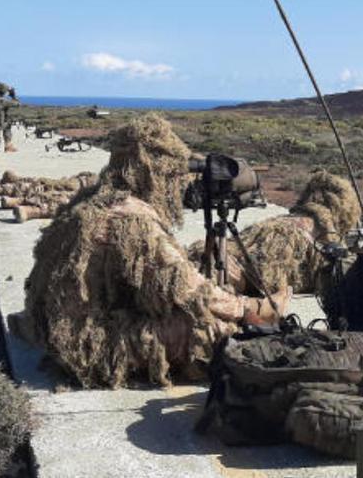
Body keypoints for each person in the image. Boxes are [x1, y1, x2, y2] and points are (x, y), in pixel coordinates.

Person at [16, 115, 291, 388]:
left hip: (54, 327)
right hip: (87, 345)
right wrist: (246, 308)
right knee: (210, 330)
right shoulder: (131, 218)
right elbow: (186, 289)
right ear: (152, 172)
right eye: (169, 174)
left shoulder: (93, 198)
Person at [189, 170, 361, 296]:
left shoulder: (285, 219)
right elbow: (330, 274)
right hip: (240, 271)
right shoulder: (326, 229)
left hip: (224, 256)